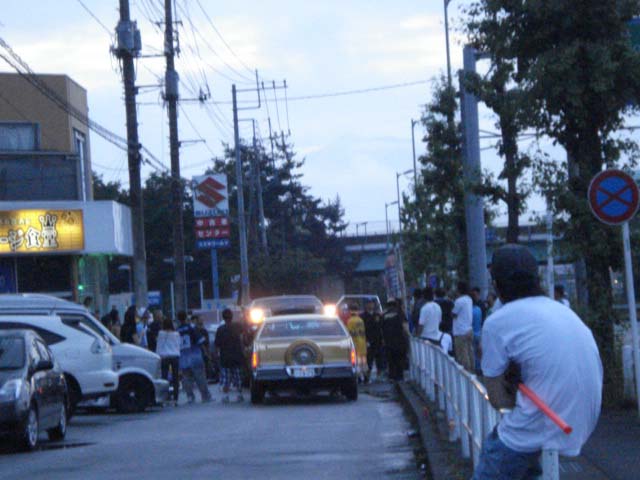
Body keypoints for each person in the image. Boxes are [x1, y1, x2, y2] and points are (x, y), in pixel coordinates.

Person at [473, 244, 602, 480]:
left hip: (545, 425)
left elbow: (497, 399)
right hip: (582, 423)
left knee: (497, 449)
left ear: (496, 284)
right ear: (537, 278)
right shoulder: (562, 311)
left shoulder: (497, 322)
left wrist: (510, 384)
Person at [177, 310, 212, 404]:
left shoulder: (177, 330)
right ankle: (205, 396)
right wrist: (206, 353)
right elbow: (200, 341)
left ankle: (190, 396)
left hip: (183, 357)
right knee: (200, 376)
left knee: (186, 377)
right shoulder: (191, 328)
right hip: (195, 355)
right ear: (186, 317)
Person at [214, 308, 245, 403]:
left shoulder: (220, 329)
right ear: (232, 316)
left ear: (223, 318)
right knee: (238, 377)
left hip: (225, 357)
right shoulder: (238, 326)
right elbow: (243, 338)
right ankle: (239, 395)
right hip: (237, 356)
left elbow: (217, 345)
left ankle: (226, 396)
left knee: (226, 378)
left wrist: (216, 356)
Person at [381, 298, 408, 381]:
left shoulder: (384, 315)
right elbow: (405, 327)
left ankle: (392, 376)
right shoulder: (400, 314)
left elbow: (381, 329)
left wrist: (383, 340)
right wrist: (408, 336)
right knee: (399, 359)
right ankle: (400, 376)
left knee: (391, 360)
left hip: (389, 341)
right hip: (400, 341)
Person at [156, 317, 180, 406]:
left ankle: (164, 398)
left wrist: (158, 356)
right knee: (175, 378)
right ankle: (176, 398)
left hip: (165, 356)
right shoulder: (176, 334)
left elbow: (159, 345)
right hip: (175, 356)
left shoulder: (161, 333)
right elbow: (178, 345)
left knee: (164, 377)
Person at [452, 281, 475, 372]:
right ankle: (472, 371)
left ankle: (466, 373)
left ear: (459, 289)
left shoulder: (459, 301)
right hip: (469, 329)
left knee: (462, 354)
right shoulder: (469, 299)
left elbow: (453, 314)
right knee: (470, 352)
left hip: (460, 331)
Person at [361, 299, 385, 380]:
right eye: (368, 303)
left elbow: (381, 327)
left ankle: (379, 375)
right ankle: (367, 376)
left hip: (378, 340)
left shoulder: (377, 315)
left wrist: (382, 339)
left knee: (379, 358)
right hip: (368, 340)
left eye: (371, 303)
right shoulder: (362, 316)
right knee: (368, 359)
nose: (370, 305)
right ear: (366, 305)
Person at [347, 304, 368, 383]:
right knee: (364, 361)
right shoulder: (360, 320)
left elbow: (349, 333)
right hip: (362, 343)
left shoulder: (350, 321)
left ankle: (359, 377)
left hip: (355, 344)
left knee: (356, 362)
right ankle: (366, 377)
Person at [471, 288, 484, 374]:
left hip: (472, 332)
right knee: (479, 351)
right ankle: (479, 367)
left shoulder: (470, 310)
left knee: (473, 352)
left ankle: (475, 367)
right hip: (479, 332)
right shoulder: (479, 309)